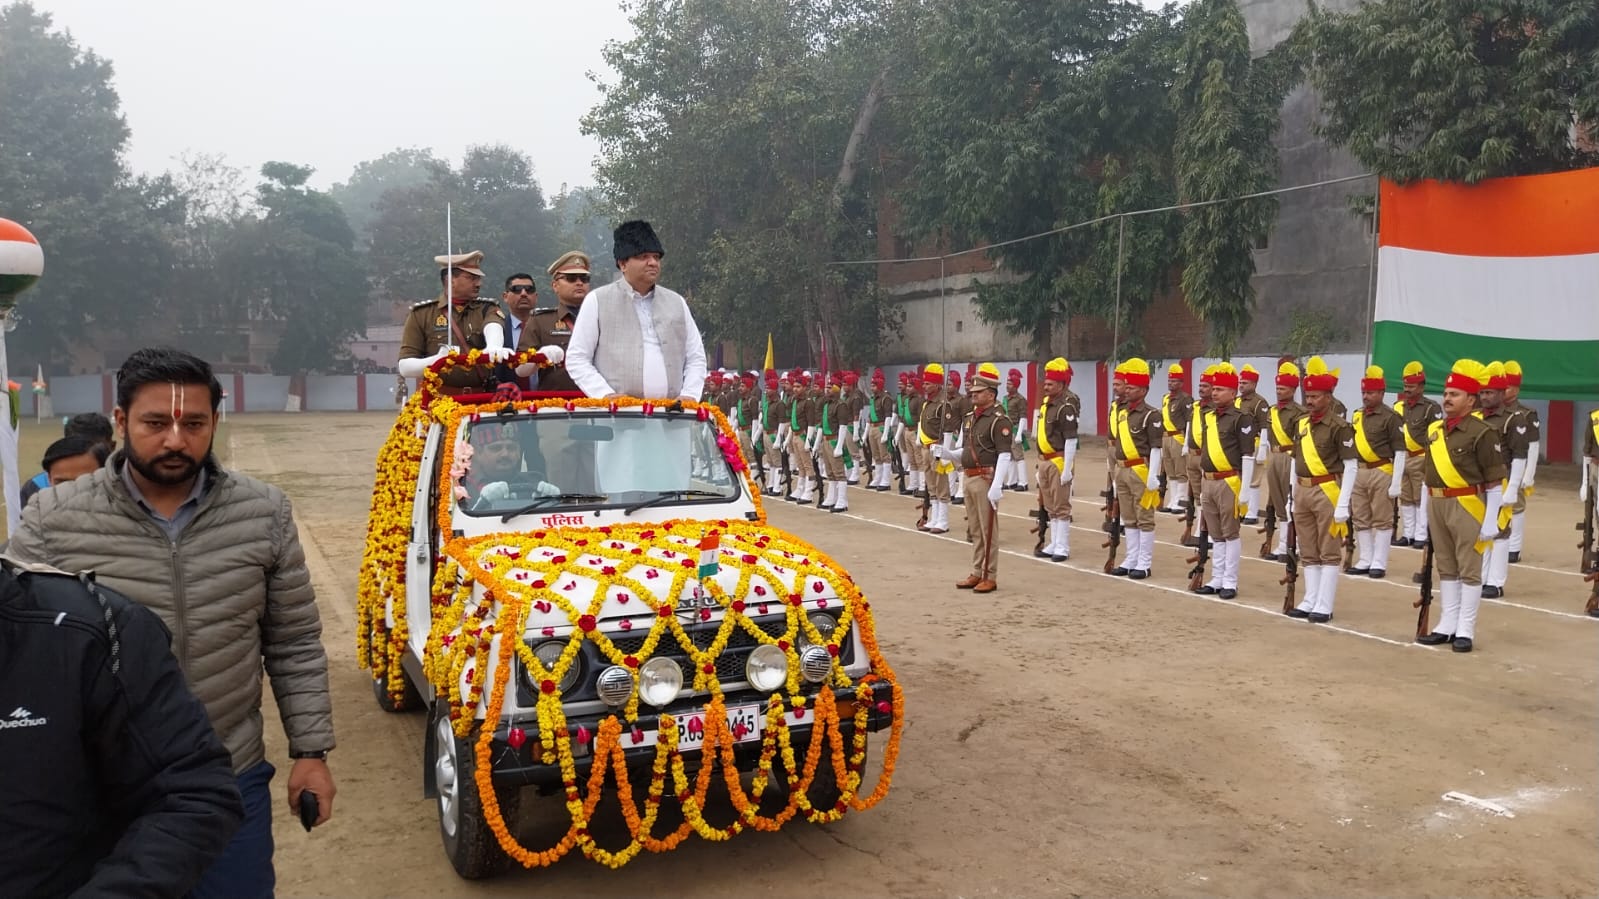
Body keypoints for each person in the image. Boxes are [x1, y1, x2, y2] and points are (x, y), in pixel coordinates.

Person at [7, 348, 336, 899]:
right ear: (120, 422)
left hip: (227, 777)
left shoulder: (263, 513)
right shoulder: (53, 519)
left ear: (215, 422)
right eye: (156, 423)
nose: (176, 440)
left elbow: (293, 642)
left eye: (194, 423)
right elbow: (15, 651)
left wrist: (311, 752)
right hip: (97, 790)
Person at [0, 558, 244, 896]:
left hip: (205, 729)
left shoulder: (95, 628)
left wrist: (309, 748)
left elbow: (190, 790)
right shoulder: (52, 517)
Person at [1416, 359, 1505, 652]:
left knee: (1469, 568)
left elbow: (1494, 481)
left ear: (1471, 399)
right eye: (1446, 393)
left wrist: (1491, 520)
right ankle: (1447, 623)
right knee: (1446, 566)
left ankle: (1465, 628)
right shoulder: (1434, 431)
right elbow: (1429, 474)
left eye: (1454, 394)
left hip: (1467, 504)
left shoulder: (1482, 432)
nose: (1447, 399)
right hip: (1438, 503)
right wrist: (1423, 512)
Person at [565, 221, 707, 402]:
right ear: (623, 263)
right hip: (620, 418)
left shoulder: (676, 302)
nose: (653, 263)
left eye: (656, 257)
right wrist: (604, 395)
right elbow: (577, 358)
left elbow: (696, 357)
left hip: (673, 417)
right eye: (644, 257)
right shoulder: (598, 300)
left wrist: (690, 395)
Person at [1284, 357, 1357, 624]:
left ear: (1328, 397)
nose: (1310, 400)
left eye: (1315, 396)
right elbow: (1296, 460)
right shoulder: (1301, 424)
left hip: (1327, 490)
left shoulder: (1339, 426)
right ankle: (1309, 598)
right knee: (1308, 548)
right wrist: (1292, 495)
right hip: (1302, 490)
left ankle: (1324, 603)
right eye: (1308, 395)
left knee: (1328, 550)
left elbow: (1350, 466)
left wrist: (1343, 504)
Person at [397, 250, 515, 392]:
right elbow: (405, 367)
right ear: (450, 280)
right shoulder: (422, 314)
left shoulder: (486, 308)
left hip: (482, 400)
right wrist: (439, 360)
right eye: (472, 278)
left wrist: (493, 347)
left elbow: (493, 325)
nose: (479, 284)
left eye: (478, 278)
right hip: (439, 401)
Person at [942, 363, 1011, 592]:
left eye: (978, 392)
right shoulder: (970, 417)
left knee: (988, 530)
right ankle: (976, 571)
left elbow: (1004, 455)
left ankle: (990, 575)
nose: (972, 394)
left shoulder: (999, 419)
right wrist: (947, 454)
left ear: (990, 394)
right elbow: (965, 450)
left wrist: (997, 485)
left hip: (986, 479)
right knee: (974, 528)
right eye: (972, 391)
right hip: (969, 477)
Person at [1192, 363, 1256, 599]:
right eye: (1214, 389)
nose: (1214, 393)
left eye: (1220, 389)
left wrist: (1246, 490)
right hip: (1209, 481)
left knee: (1230, 533)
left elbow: (1247, 455)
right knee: (1216, 534)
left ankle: (1230, 580)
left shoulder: (1242, 418)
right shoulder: (1208, 416)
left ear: (1233, 393)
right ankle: (1217, 577)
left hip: (1229, 481)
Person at [1344, 365, 1406, 578]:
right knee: (1360, 517)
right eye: (1363, 393)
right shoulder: (1357, 415)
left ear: (1381, 393)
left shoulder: (1391, 417)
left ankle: (1379, 562)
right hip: (1359, 471)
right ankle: (1365, 559)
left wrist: (1396, 481)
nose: (1366, 396)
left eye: (1370, 392)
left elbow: (1400, 450)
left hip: (1381, 469)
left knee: (1382, 518)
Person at [1476, 362, 1528, 598]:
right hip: (1478, 480)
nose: (1485, 397)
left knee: (1500, 530)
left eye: (1490, 393)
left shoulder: (1512, 419)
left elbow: (1519, 456)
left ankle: (1495, 582)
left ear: (1501, 393)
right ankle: (1481, 576)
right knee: (1481, 528)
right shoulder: (1475, 416)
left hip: (1502, 479)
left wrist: (1513, 488)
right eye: (1482, 393)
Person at [1109, 358, 1164, 578]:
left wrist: (1153, 476)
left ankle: (1144, 562)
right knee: (1128, 517)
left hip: (1140, 470)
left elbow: (1156, 448)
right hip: (1122, 470)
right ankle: (1131, 557)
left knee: (1144, 517)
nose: (1127, 390)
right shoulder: (1122, 412)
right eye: (1126, 386)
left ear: (1143, 390)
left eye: (1131, 387)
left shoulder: (1151, 415)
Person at [1393, 361, 1444, 549]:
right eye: (1405, 386)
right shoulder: (1398, 406)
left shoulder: (1431, 408)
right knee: (1406, 496)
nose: (1407, 390)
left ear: (1421, 387)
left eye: (1411, 386)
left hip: (1421, 456)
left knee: (1420, 497)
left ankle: (1421, 534)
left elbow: (1436, 436)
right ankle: (1408, 533)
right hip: (1402, 457)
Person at [1033, 357, 1079, 562]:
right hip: (1044, 460)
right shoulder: (1046, 405)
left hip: (1058, 460)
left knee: (1061, 505)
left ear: (1061, 385)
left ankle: (1063, 545)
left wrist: (1067, 468)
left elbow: (1070, 440)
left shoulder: (1065, 407)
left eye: (1050, 383)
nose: (1046, 386)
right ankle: (1054, 542)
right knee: (1050, 506)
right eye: (1046, 382)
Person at [19, 412, 115, 507]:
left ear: (112, 447)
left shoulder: (123, 485)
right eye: (77, 448)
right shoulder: (36, 486)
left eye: (98, 450)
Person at [1262, 362, 1304, 561]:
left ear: (1293, 390)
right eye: (1277, 388)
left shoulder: (1299, 412)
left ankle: (1295, 546)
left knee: (1291, 501)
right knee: (1279, 501)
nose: (1279, 392)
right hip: (1274, 456)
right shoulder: (1271, 411)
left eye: (1283, 388)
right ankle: (1282, 544)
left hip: (1290, 457)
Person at [1501, 360, 1540, 564]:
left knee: (1515, 506)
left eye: (1506, 387)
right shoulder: (1491, 411)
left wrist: (1528, 475)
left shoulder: (1526, 413)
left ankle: (1514, 548)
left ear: (1515, 389)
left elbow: (1533, 445)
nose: (1502, 391)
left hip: (1514, 465)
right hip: (1495, 467)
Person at [917, 363, 960, 534]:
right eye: (924, 383)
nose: (924, 386)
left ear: (936, 384)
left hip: (938, 447)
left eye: (928, 383)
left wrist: (945, 452)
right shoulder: (927, 403)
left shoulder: (943, 404)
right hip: (926, 448)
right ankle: (934, 517)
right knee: (931, 484)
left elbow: (948, 430)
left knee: (941, 484)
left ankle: (943, 520)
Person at [1236, 365, 1271, 522]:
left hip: (1254, 443)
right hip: (1238, 445)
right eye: (1240, 382)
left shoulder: (1259, 402)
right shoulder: (1236, 400)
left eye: (1245, 383)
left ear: (1254, 384)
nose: (1241, 385)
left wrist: (1263, 448)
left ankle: (1252, 511)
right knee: (1241, 478)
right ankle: (1242, 508)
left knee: (1253, 479)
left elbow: (1264, 426)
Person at [1159, 363, 1193, 514]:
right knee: (1170, 471)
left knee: (1180, 471)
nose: (1171, 383)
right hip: (1166, 437)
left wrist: (1187, 442)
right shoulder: (1165, 398)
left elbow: (1189, 422)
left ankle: (1181, 500)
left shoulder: (1185, 399)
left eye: (1174, 381)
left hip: (1178, 436)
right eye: (1169, 381)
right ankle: (1173, 500)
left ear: (1181, 383)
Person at [815, 372, 851, 513]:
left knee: (839, 472)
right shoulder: (826, 404)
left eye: (830, 387)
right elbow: (822, 425)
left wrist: (840, 446)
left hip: (834, 440)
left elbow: (843, 425)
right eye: (826, 387)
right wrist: (818, 442)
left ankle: (842, 500)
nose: (827, 389)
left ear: (837, 389)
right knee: (830, 471)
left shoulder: (840, 405)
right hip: (825, 440)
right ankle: (831, 498)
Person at [1002, 369, 1030, 491]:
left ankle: (1023, 482)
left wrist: (1019, 434)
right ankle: (1012, 481)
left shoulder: (1020, 399)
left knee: (1018, 456)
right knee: (1009, 456)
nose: (1007, 386)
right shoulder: (1005, 398)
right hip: (1005, 431)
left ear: (1016, 385)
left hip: (1014, 430)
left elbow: (1023, 417)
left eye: (1010, 384)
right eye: (1007, 383)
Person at [501, 272, 539, 352]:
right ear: (505, 297)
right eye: (517, 289)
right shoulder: (498, 327)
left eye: (529, 289)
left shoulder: (545, 327)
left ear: (536, 297)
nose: (524, 294)